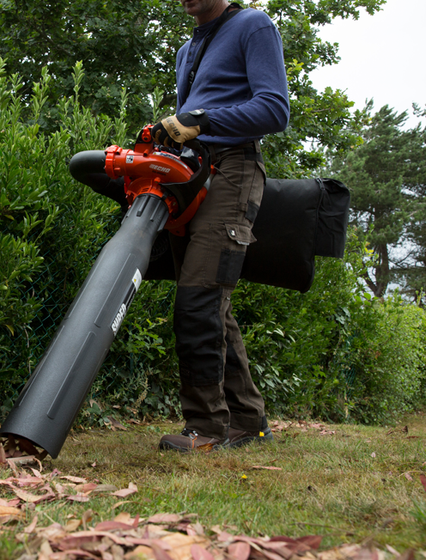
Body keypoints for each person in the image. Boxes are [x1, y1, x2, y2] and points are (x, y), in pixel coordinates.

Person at [152, 0, 290, 452]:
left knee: (198, 299)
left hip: (234, 168)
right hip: (193, 173)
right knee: (211, 304)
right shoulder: (186, 49)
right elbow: (189, 123)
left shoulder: (253, 25)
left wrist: (203, 120)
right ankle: (249, 421)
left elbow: (274, 110)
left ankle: (206, 430)